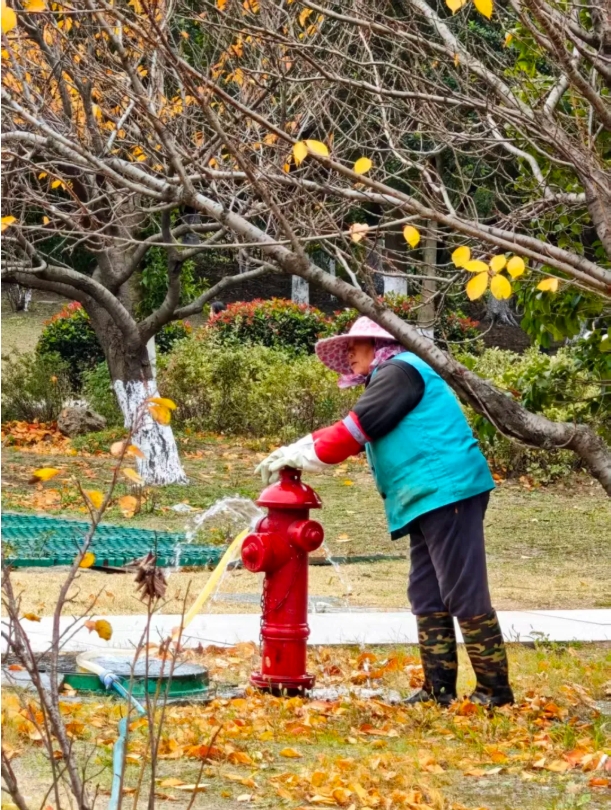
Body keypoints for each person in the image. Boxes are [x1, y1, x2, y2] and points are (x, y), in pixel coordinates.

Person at [256, 317, 514, 707]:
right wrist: (300, 445)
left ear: (378, 344)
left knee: (463, 589)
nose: (349, 354)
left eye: (356, 345)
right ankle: (437, 691)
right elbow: (352, 429)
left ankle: (495, 693)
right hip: (427, 496)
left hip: (447, 489)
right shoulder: (392, 376)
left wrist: (301, 454)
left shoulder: (400, 372)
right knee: (427, 593)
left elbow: (353, 432)